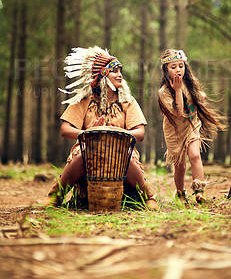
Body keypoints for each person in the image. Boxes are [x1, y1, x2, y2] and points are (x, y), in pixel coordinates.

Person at [46, 46, 158, 211]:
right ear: (102, 76)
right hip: (88, 150)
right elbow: (65, 129)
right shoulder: (83, 100)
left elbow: (140, 133)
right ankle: (55, 197)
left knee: (125, 154)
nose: (120, 74)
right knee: (82, 154)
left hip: (121, 151)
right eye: (114, 71)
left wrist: (117, 134)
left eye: (120, 70)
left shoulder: (128, 101)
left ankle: (148, 197)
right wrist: (89, 133)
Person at [158, 49, 227, 203]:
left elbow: (197, 95)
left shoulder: (189, 83)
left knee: (195, 155)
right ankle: (180, 193)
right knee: (180, 166)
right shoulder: (164, 92)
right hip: (174, 131)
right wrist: (177, 90)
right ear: (165, 70)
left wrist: (199, 95)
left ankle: (200, 191)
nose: (178, 70)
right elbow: (179, 113)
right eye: (173, 67)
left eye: (181, 66)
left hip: (191, 125)